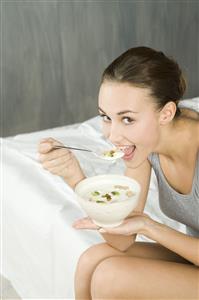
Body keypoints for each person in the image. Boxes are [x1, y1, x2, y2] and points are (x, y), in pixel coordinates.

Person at [38, 46, 199, 299]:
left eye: (127, 119)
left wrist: (150, 227)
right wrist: (75, 178)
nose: (112, 136)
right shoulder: (145, 147)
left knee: (110, 277)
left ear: (166, 113)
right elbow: (122, 241)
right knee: (93, 259)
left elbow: (140, 226)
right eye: (105, 117)